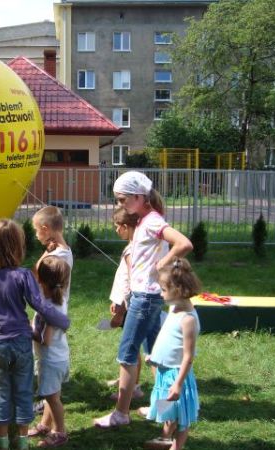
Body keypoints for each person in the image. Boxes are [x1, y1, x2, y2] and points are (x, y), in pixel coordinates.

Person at [94, 171, 193, 428]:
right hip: (147, 296)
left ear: (139, 197)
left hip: (146, 299)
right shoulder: (145, 220)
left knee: (127, 355)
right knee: (157, 354)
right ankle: (163, 406)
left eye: (122, 200)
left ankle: (121, 414)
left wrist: (163, 262)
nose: (120, 206)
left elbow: (183, 243)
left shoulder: (151, 222)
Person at [0, 219, 70, 450]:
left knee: (2, 393)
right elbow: (40, 306)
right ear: (17, 246)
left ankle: (3, 442)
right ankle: (23, 443)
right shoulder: (23, 275)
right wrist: (63, 320)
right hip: (22, 344)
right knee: (23, 391)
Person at [143, 257, 201, 450]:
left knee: (181, 416)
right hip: (164, 372)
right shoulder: (174, 307)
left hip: (177, 376)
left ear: (178, 290)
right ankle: (165, 440)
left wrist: (178, 384)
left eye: (164, 289)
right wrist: (155, 358)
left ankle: (177, 447)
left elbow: (188, 356)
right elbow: (168, 338)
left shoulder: (188, 320)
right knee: (166, 412)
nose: (161, 293)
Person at [31, 205, 73, 416]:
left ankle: (50, 403)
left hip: (50, 309)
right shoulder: (61, 251)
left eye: (37, 230)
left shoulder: (59, 257)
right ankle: (48, 401)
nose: (37, 235)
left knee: (48, 368)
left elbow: (37, 273)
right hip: (53, 306)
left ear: (46, 228)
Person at [28, 256, 71, 448]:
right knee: (51, 395)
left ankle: (60, 432)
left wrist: (27, 330)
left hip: (51, 360)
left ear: (41, 280)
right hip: (60, 357)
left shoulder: (50, 307)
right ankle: (45, 425)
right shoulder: (56, 298)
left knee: (53, 399)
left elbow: (46, 340)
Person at [106, 207, 145, 401]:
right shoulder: (133, 246)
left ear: (125, 226)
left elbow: (130, 281)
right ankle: (127, 380)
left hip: (130, 306)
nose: (115, 230)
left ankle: (133, 386)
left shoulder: (132, 251)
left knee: (132, 347)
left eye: (116, 227)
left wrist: (121, 307)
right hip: (126, 304)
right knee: (130, 345)